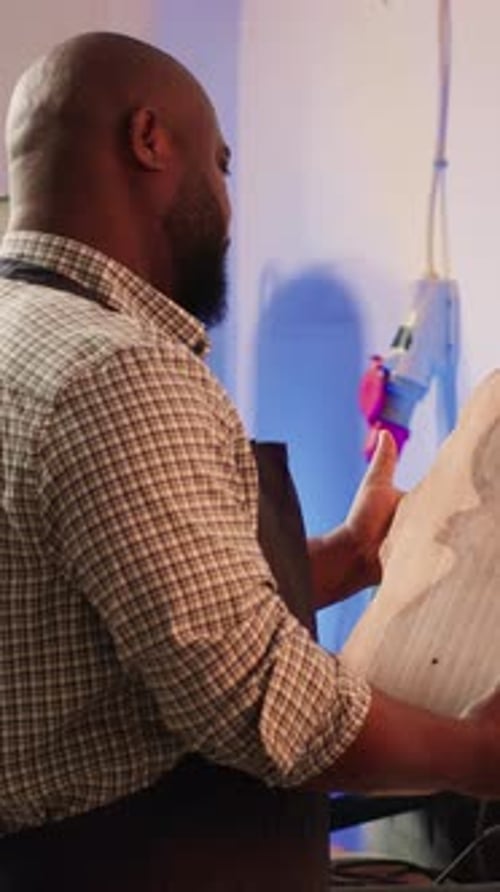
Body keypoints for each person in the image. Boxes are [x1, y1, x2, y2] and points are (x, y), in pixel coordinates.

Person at [0, 31, 499, 892]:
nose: (229, 207)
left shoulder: (23, 337)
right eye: (223, 164)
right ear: (149, 139)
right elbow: (263, 703)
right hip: (141, 863)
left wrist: (346, 558)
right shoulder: (119, 369)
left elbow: (124, 607)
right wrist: (476, 755)